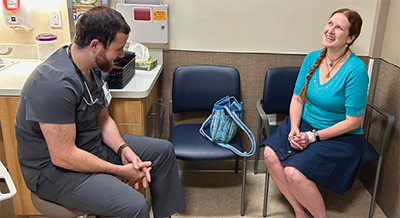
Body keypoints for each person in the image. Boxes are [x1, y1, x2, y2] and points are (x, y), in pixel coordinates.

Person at [15, 6, 185, 218]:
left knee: (163, 152)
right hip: (54, 173)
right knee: (134, 205)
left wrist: (124, 150)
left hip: (90, 146)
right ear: (95, 45)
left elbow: (103, 120)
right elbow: (63, 156)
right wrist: (120, 171)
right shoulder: (53, 84)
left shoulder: (92, 69)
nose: (121, 55)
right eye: (118, 49)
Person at [263, 8, 368, 218]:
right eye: (330, 23)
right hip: (304, 124)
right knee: (269, 155)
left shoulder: (356, 70)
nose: (330, 30)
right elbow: (297, 98)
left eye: (339, 28)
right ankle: (299, 210)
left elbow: (353, 122)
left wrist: (312, 137)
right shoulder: (312, 58)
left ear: (351, 37)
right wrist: (294, 128)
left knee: (293, 172)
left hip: (340, 136)